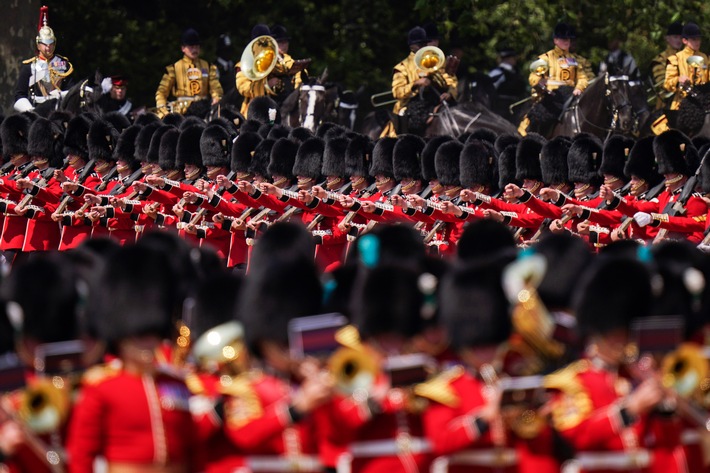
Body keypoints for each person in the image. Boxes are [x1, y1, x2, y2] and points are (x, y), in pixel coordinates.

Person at [381, 26, 457, 137]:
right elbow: (397, 92)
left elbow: (450, 80)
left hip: (435, 99)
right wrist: (416, 83)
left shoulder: (434, 60)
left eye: (425, 44)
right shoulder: (402, 67)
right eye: (420, 44)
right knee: (416, 122)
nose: (424, 47)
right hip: (412, 104)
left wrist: (450, 93)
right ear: (412, 46)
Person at [236, 24, 307, 118]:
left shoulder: (278, 59)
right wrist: (266, 85)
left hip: (281, 106)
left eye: (266, 43)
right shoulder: (243, 65)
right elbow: (243, 87)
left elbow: (299, 75)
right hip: (256, 110)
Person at [14, 5, 74, 113]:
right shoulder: (29, 67)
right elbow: (19, 95)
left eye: (51, 44)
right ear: (38, 45)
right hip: (36, 111)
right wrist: (30, 110)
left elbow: (71, 89)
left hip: (59, 110)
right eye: (45, 44)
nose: (48, 47)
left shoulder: (63, 64)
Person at [155, 28, 223, 118]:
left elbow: (216, 88)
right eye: (191, 47)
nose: (194, 49)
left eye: (197, 46)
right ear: (183, 48)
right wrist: (163, 111)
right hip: (181, 112)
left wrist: (216, 98)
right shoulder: (174, 68)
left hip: (204, 111)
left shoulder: (208, 67)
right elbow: (161, 92)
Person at [528, 22, 589, 97]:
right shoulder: (546, 58)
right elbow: (533, 76)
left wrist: (579, 88)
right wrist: (539, 81)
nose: (566, 41)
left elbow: (582, 78)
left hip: (569, 95)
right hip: (550, 96)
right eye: (563, 39)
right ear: (555, 40)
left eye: (568, 39)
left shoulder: (574, 60)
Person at [664, 22, 709, 111]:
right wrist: (678, 80)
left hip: (704, 102)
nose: (697, 42)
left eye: (699, 39)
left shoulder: (704, 57)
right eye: (694, 39)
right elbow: (667, 84)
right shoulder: (676, 58)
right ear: (685, 41)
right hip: (683, 102)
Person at [649, 21, 683, 110]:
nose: (679, 40)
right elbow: (662, 83)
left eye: (681, 37)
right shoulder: (660, 60)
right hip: (667, 104)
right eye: (675, 37)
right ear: (667, 39)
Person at [488, 48, 527, 122]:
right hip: (500, 109)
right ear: (508, 59)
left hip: (516, 108)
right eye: (513, 58)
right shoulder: (498, 72)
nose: (515, 60)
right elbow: (490, 89)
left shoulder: (516, 73)